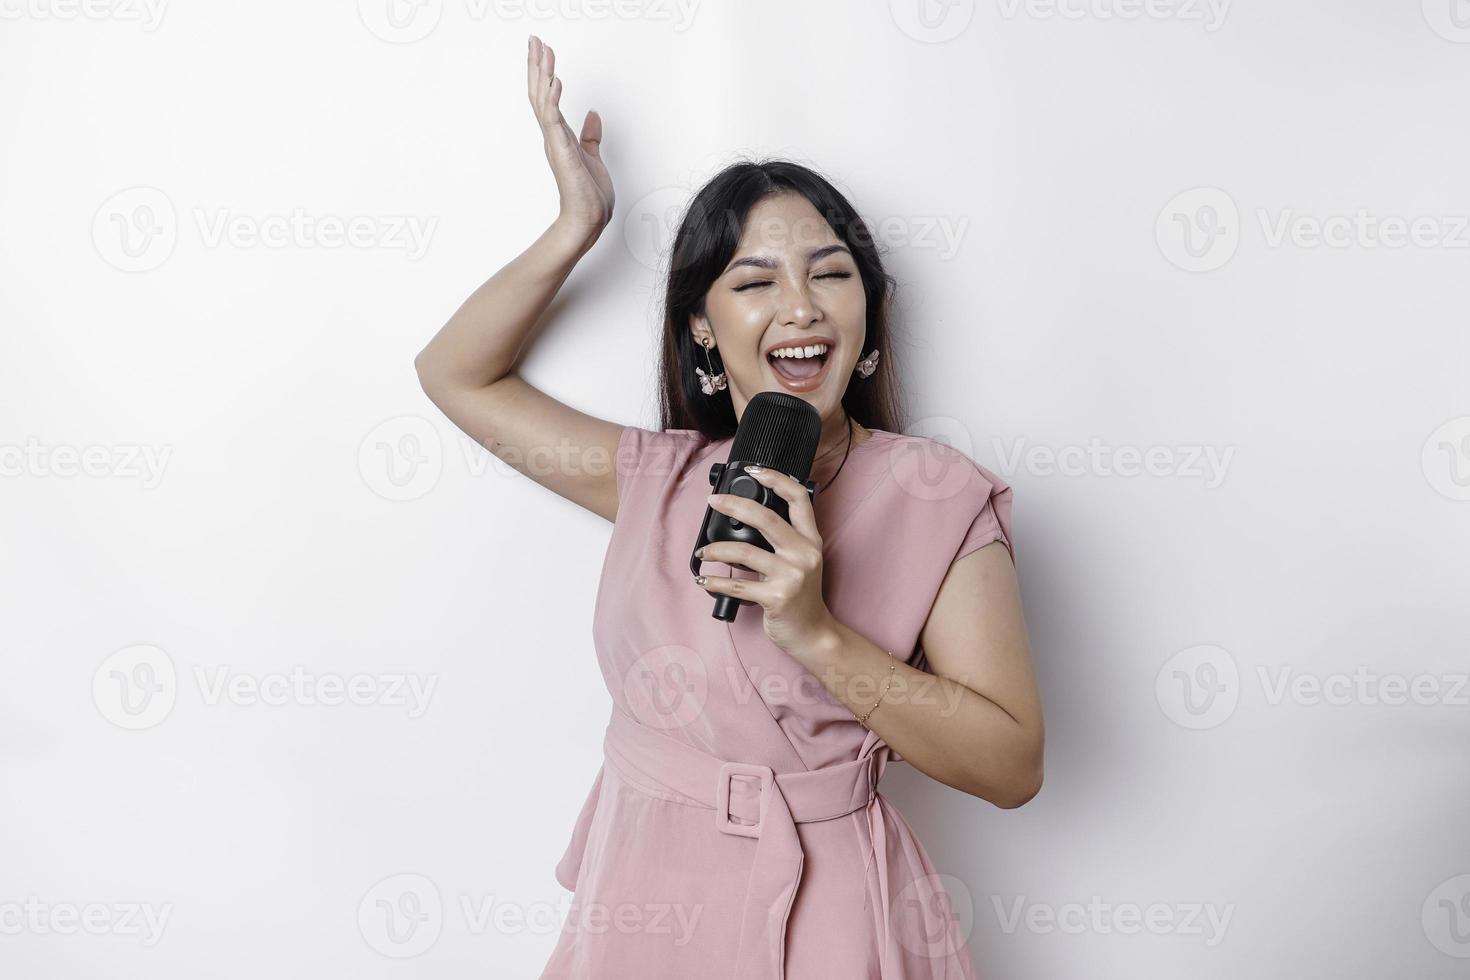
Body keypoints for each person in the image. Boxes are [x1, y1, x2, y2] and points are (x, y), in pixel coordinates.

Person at [413, 34, 1045, 980]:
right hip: (639, 896)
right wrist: (575, 223)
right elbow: (457, 374)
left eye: (831, 275)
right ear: (703, 329)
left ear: (868, 319)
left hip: (824, 912)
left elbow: (1010, 768)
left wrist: (816, 630)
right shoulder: (656, 477)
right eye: (755, 282)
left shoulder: (936, 498)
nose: (801, 307)